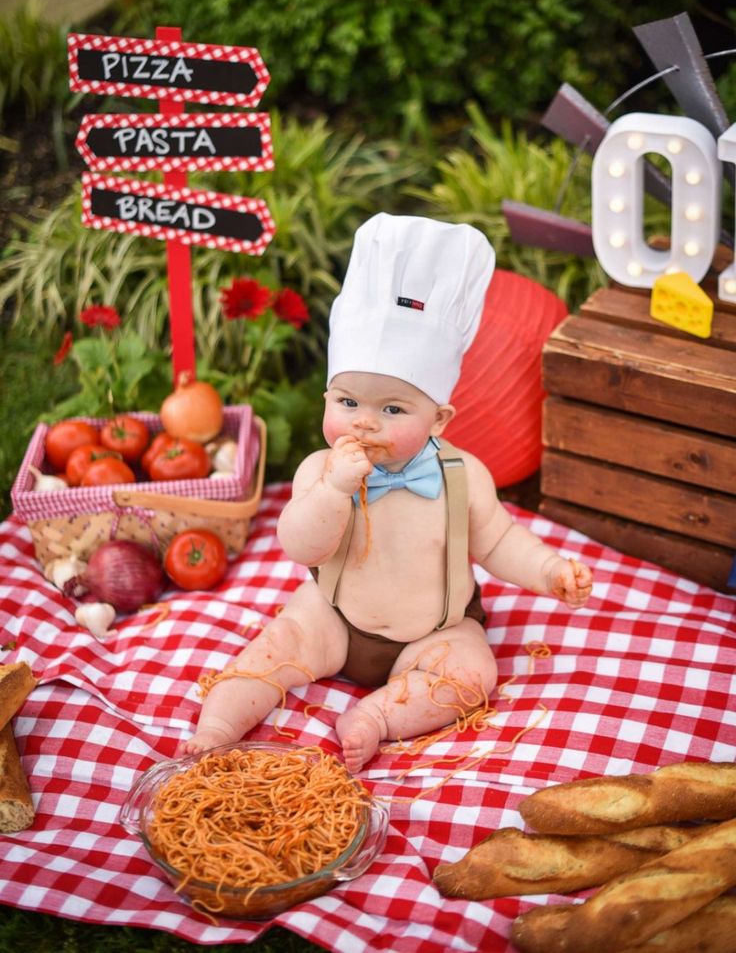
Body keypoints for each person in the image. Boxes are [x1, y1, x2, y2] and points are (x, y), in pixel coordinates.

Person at [182, 214, 593, 772]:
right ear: (328, 396)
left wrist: (547, 571)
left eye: (392, 409)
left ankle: (376, 717)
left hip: (434, 631)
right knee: (278, 643)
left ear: (439, 419)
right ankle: (218, 724)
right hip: (333, 617)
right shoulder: (318, 470)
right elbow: (303, 547)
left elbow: (497, 540)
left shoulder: (461, 474)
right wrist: (333, 492)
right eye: (347, 403)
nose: (363, 424)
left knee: (473, 674)